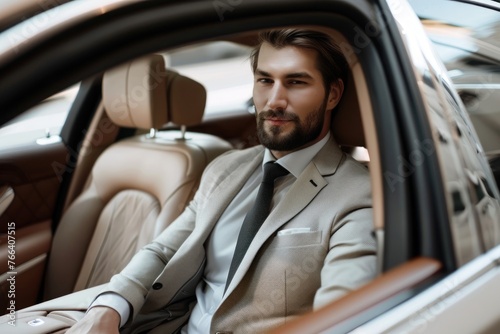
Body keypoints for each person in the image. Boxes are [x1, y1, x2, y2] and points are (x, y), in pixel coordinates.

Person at [67, 28, 376, 334]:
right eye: (265, 80)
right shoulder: (225, 168)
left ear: (333, 94)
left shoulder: (358, 193)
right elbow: (164, 250)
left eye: (296, 82)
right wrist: (108, 307)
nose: (275, 101)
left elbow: (341, 314)